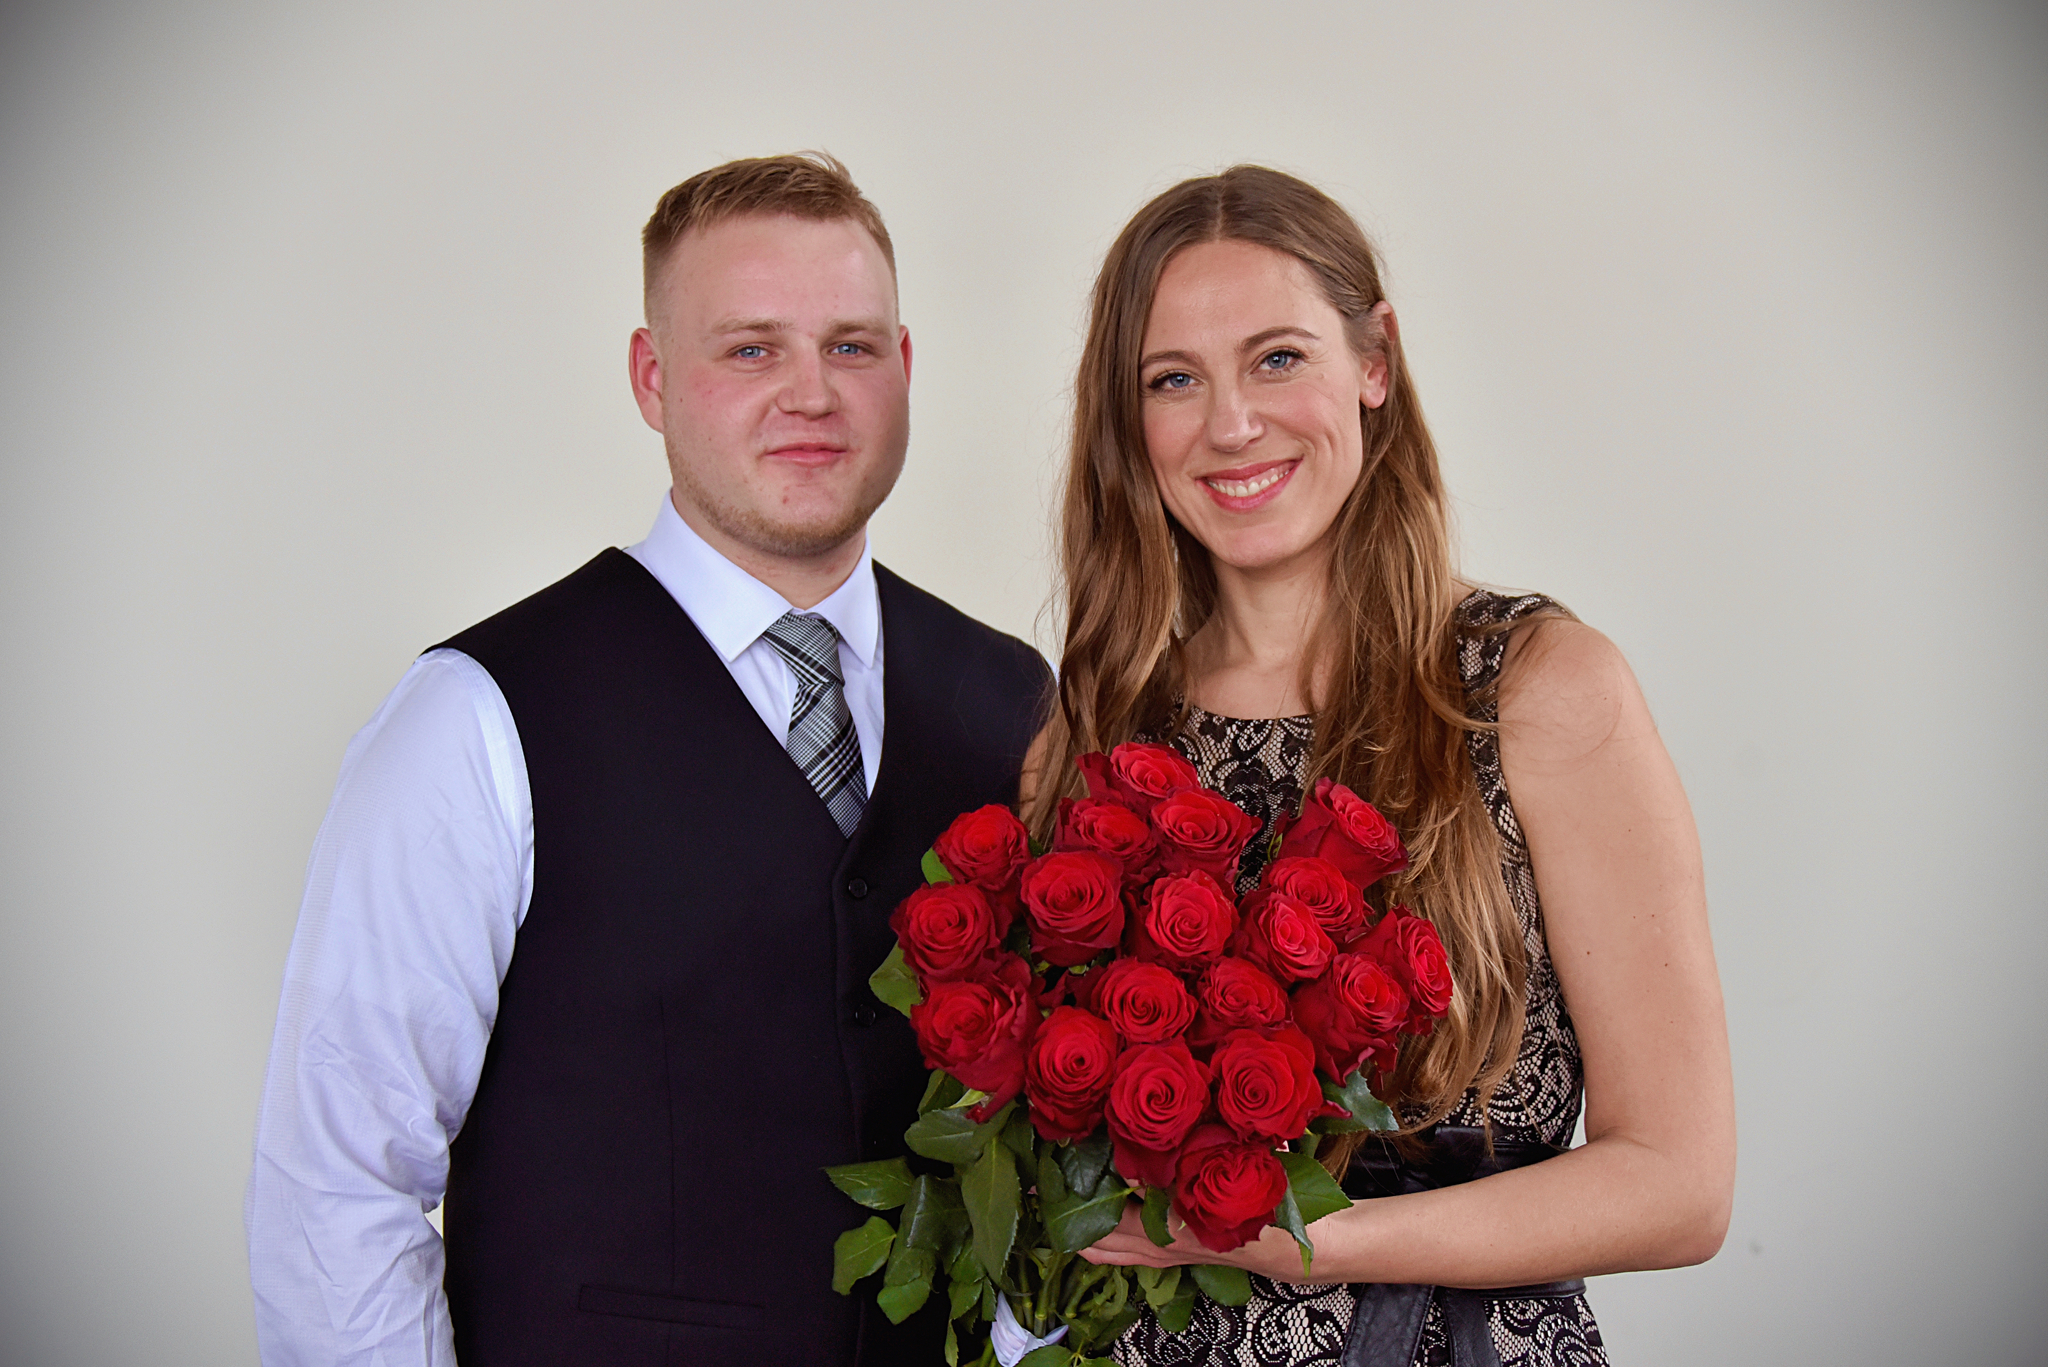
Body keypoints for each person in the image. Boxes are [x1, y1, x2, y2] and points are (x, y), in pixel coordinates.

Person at [246, 153, 1049, 1366]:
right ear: (650, 376)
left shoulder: (1011, 701)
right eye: (750, 348)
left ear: (903, 366)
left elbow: (1040, 1162)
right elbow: (337, 1182)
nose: (810, 394)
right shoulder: (477, 713)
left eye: (849, 346)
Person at [1023, 166, 1735, 1366]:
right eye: (1172, 379)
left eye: (1277, 358)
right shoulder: (1091, 726)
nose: (1230, 424)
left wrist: (1308, 1240)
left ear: (1374, 362)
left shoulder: (1535, 689)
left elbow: (1679, 1182)